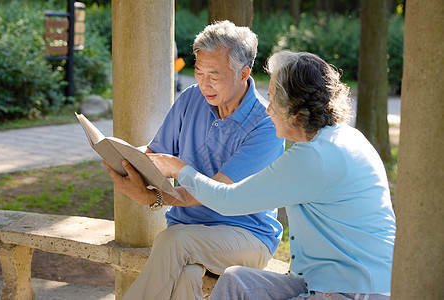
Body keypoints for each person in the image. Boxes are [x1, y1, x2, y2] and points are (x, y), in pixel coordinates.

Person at [146, 51, 397, 299]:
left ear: (295, 111)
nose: (267, 111)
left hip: (353, 290)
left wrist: (178, 168)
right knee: (235, 281)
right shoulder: (342, 137)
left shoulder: (313, 157)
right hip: (322, 281)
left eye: (273, 101)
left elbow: (228, 201)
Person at [105, 20, 285, 299]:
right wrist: (125, 159)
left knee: (173, 241)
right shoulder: (191, 98)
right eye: (198, 72)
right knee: (187, 277)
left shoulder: (266, 124)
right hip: (190, 230)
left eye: (214, 74)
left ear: (243, 73)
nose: (204, 83)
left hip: (248, 236)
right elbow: (156, 154)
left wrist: (153, 198)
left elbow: (217, 193)